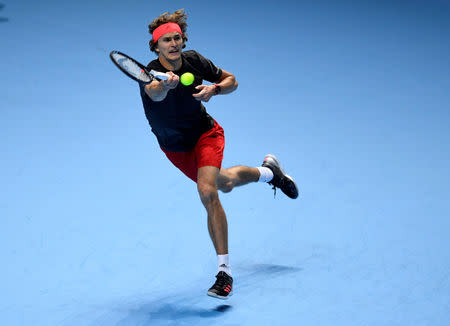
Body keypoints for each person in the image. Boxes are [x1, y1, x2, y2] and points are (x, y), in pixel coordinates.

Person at [139, 9, 299, 299]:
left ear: (183, 40)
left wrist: (215, 89)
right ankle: (269, 173)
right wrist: (165, 84)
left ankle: (224, 273)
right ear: (156, 46)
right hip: (174, 148)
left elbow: (232, 80)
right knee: (223, 182)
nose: (173, 44)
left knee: (207, 191)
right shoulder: (150, 73)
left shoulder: (196, 61)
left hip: (205, 134)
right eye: (166, 40)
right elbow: (154, 93)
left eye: (177, 38)